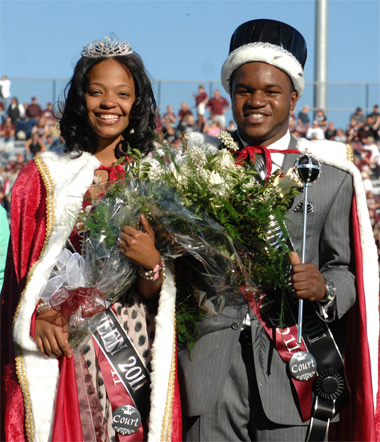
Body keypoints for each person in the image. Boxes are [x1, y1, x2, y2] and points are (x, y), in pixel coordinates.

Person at [178, 19, 379, 441]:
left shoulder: (331, 176)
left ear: (293, 99)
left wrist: (324, 287)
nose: (256, 101)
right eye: (244, 90)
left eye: (271, 91)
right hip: (207, 375)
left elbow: (346, 270)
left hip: (292, 376)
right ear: (229, 96)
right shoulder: (194, 167)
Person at [1, 36, 181, 442]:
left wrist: (152, 262)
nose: (108, 103)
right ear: (81, 98)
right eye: (96, 92)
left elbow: (160, 293)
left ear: (137, 102)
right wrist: (41, 313)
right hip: (67, 342)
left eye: (122, 93)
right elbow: (23, 281)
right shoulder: (45, 177)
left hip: (135, 339)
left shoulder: (157, 178)